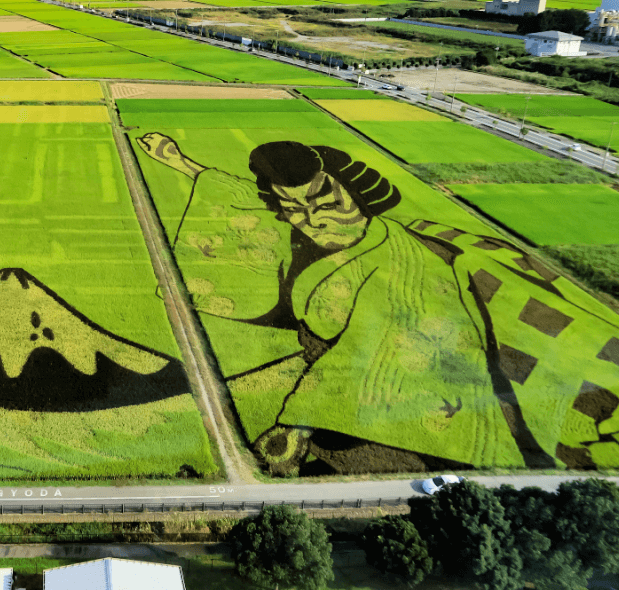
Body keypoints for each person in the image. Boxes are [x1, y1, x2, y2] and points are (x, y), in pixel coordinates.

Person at [137, 133, 619, 475]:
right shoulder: (316, 236)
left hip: (406, 394)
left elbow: (380, 342)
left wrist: (298, 423)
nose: (314, 219)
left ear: (359, 193)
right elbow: (248, 194)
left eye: (326, 201)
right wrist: (183, 163)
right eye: (295, 211)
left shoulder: (403, 262)